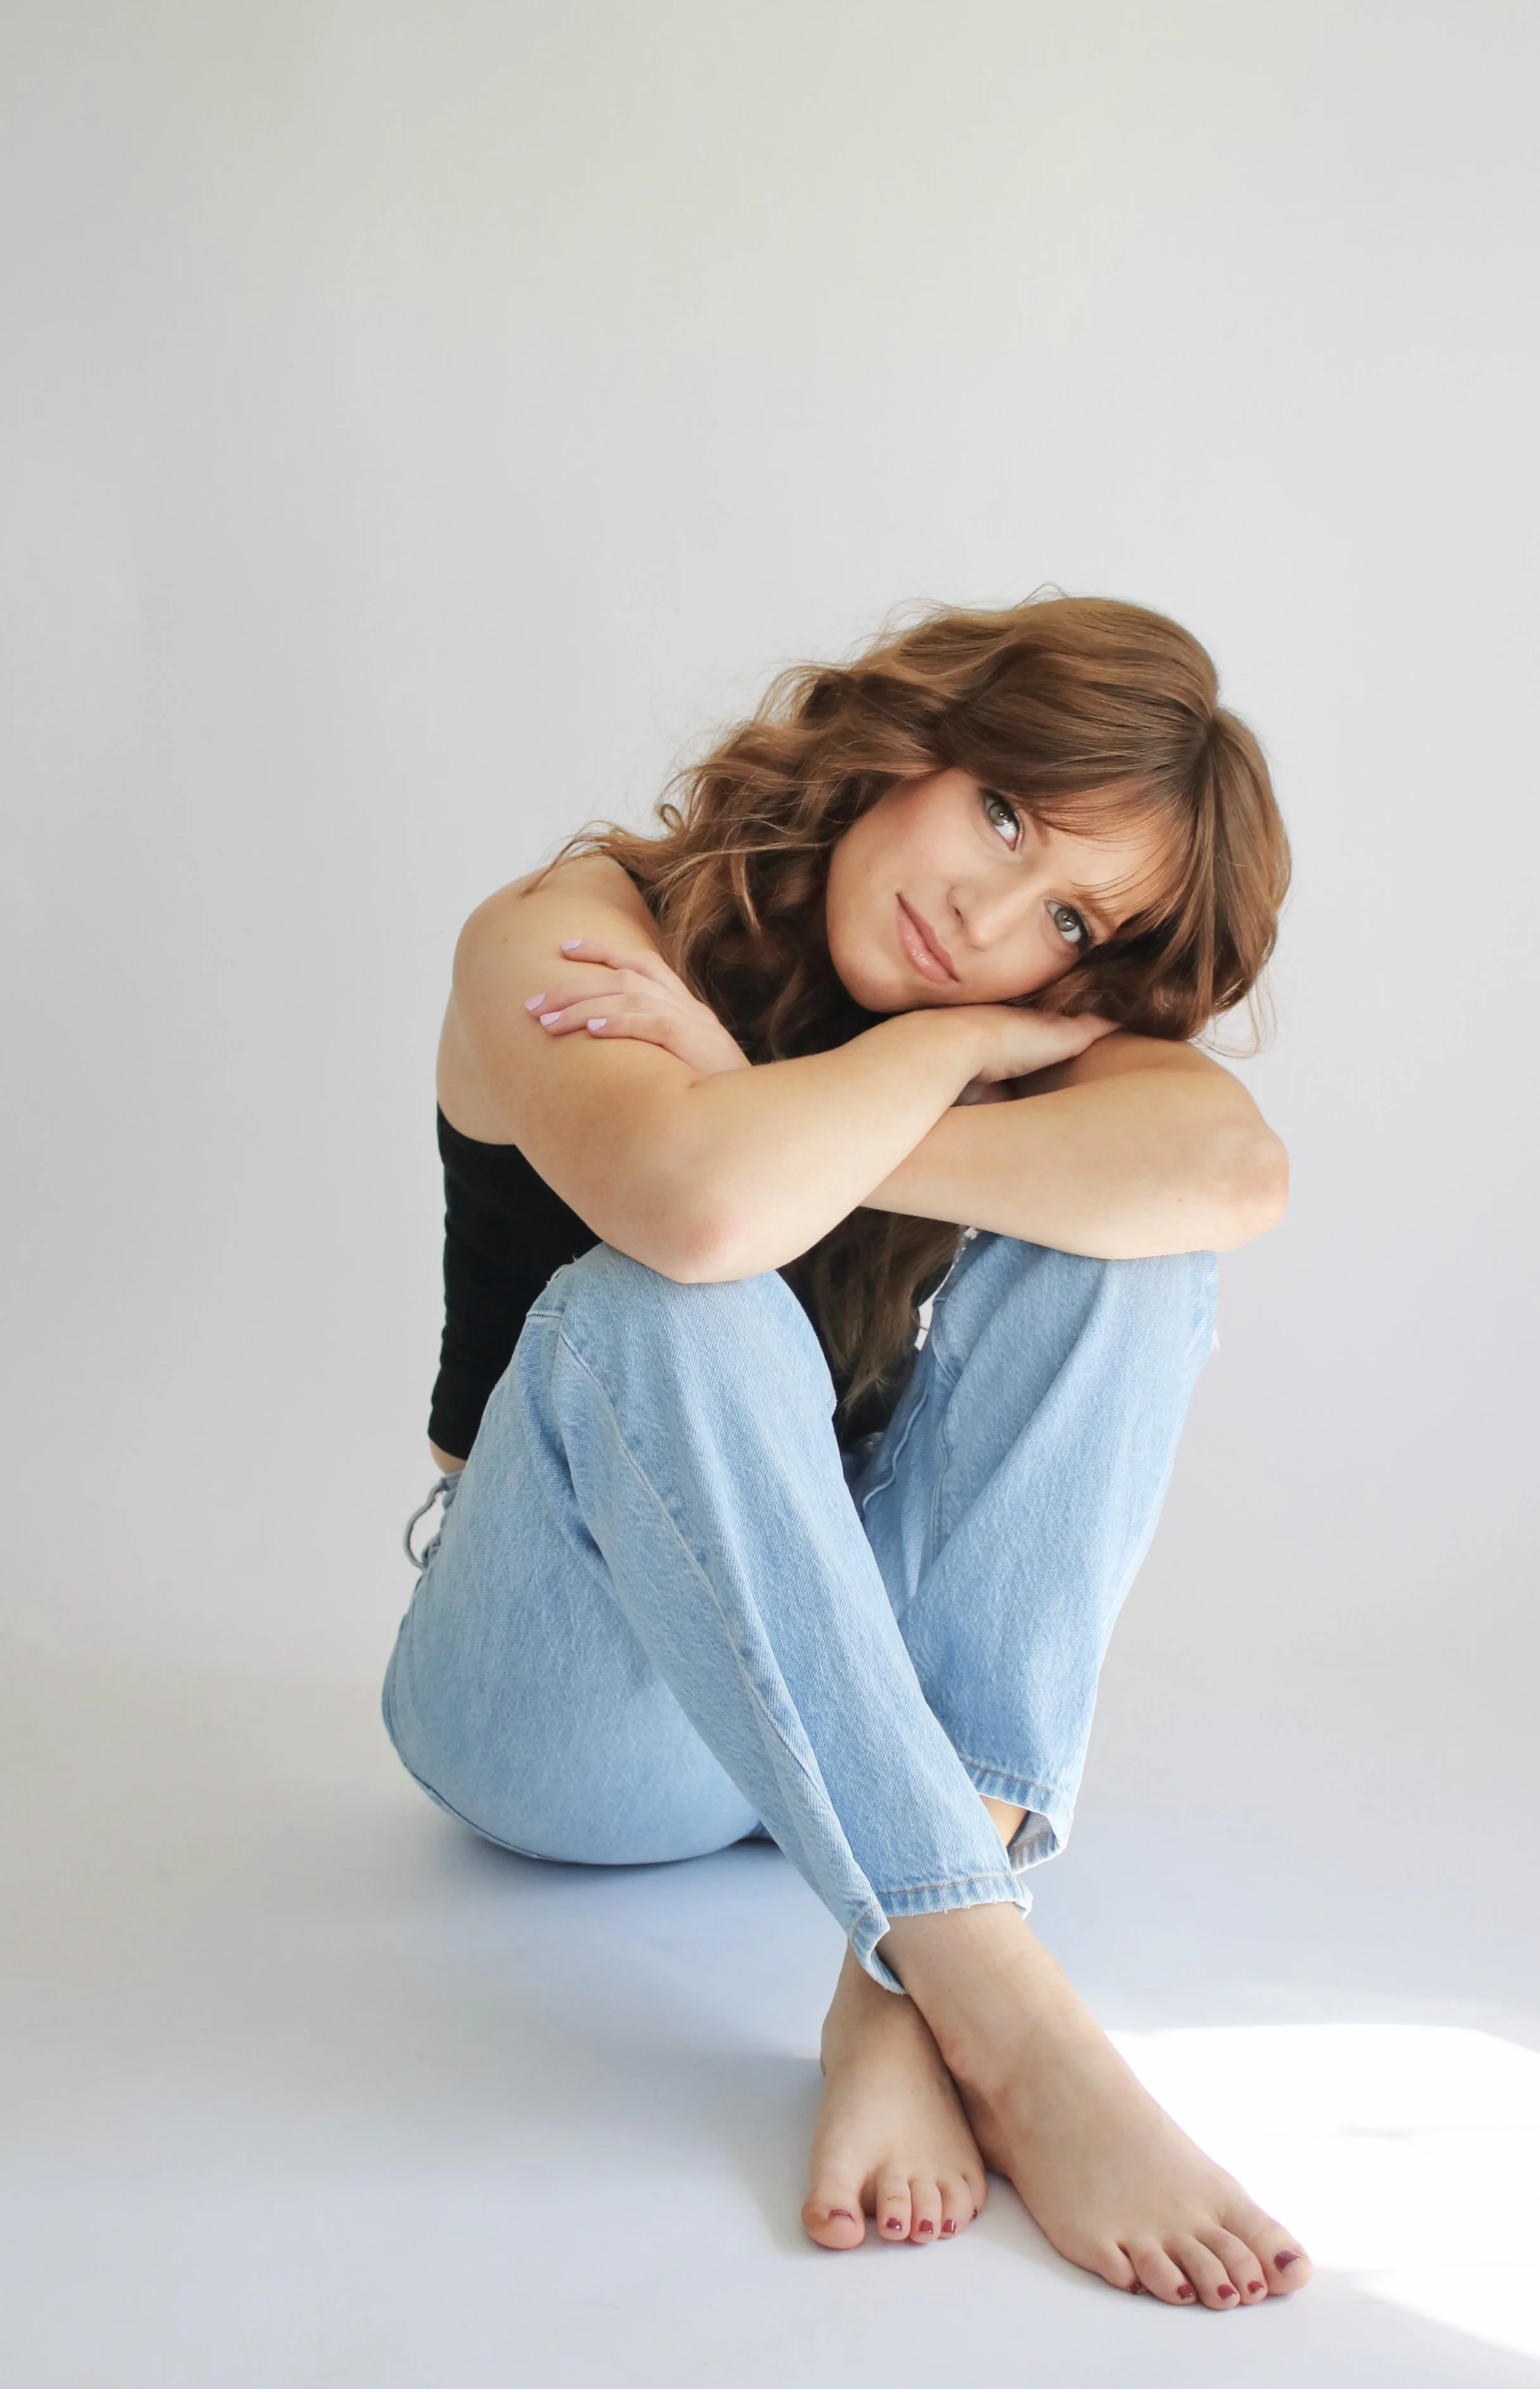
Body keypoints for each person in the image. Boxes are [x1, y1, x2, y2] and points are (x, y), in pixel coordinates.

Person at [381, 594, 1312, 2308]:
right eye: (1008, 814)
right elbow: (706, 1203)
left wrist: (827, 1090)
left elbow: (1229, 1181)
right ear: (916, 739)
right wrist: (946, 1056)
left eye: (1062, 919)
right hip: (568, 1705)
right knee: (671, 1296)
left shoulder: (1027, 1013)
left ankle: (893, 1994)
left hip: (851, 1679)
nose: (984, 914)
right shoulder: (568, 927)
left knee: (1130, 1245)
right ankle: (1002, 2005)